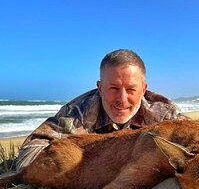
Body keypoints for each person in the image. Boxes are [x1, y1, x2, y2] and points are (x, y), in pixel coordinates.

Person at [16, 49, 189, 172]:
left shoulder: (165, 115)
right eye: (113, 88)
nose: (122, 99)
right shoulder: (78, 113)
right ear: (99, 88)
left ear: (143, 90)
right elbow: (28, 159)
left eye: (131, 90)